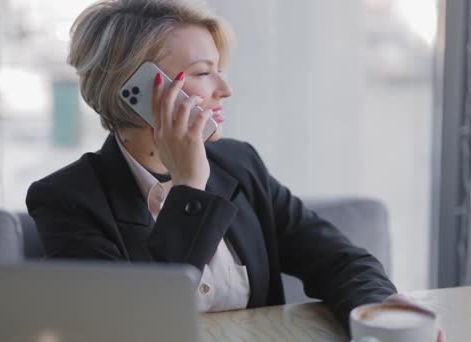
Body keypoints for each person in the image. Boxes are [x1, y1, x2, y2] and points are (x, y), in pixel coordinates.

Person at [26, 0, 399, 336]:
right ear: (136, 89)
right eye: (204, 73)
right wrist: (189, 187)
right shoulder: (67, 200)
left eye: (218, 70)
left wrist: (382, 316)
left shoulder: (240, 164)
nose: (224, 89)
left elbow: (340, 261)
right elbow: (132, 326)